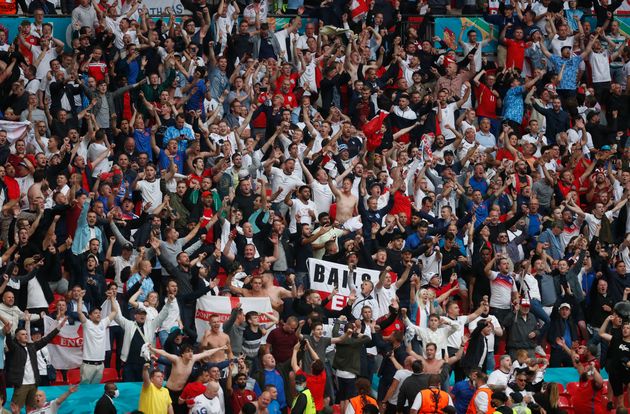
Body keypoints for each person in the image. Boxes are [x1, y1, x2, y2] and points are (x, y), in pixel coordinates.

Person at [6, 316, 67, 410]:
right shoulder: (15, 348)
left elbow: (46, 339)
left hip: (34, 384)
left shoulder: (32, 347)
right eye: (23, 334)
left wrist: (58, 328)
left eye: (26, 334)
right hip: (21, 384)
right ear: (17, 337)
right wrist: (8, 333)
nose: (26, 335)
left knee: (31, 410)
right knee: (15, 409)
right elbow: (9, 342)